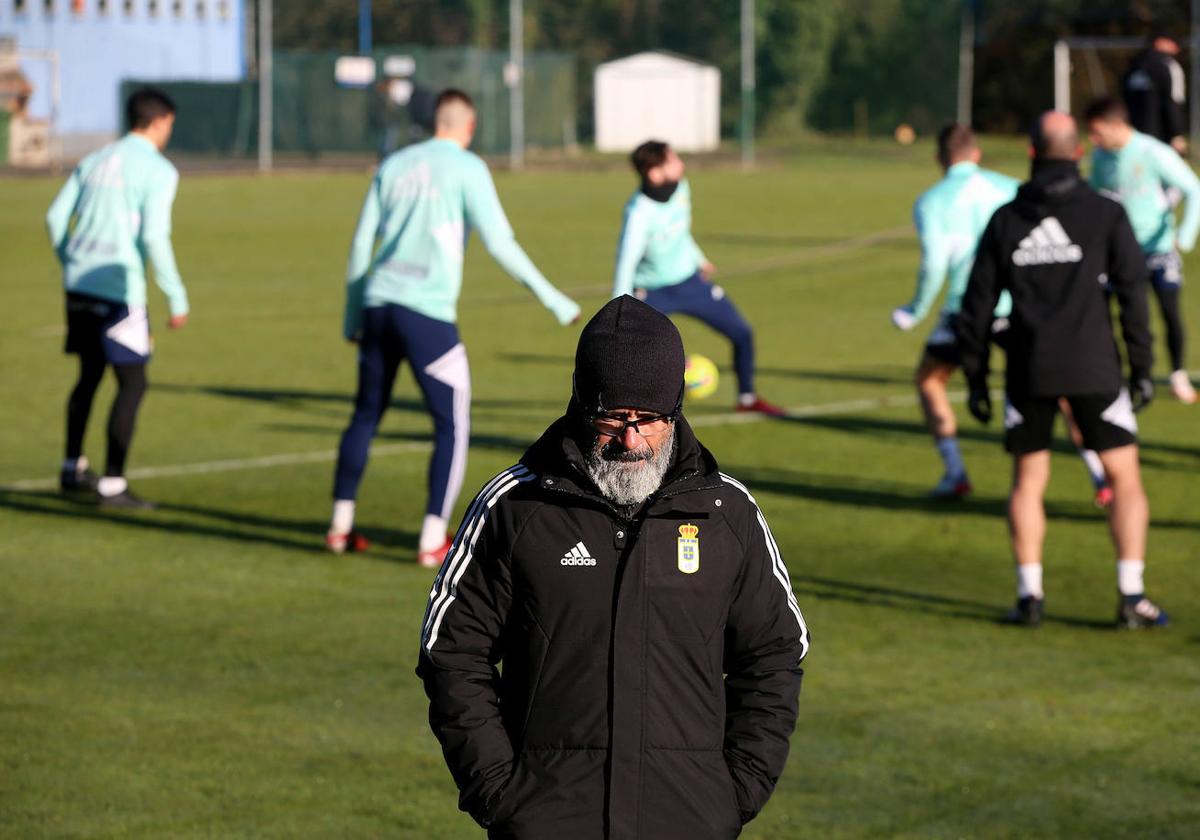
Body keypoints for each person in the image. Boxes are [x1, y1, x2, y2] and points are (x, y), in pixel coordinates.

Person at [417, 296, 810, 838]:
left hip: (690, 820)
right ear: (580, 403)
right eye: (614, 417)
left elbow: (774, 655)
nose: (632, 440)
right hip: (549, 820)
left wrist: (735, 790)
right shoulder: (515, 507)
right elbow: (451, 652)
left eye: (651, 420)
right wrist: (500, 792)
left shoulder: (727, 514)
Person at [329, 89, 580, 565]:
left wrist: (352, 314)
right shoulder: (469, 168)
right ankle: (431, 539)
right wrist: (553, 298)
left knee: (365, 415)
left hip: (379, 306)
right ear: (469, 126)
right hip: (426, 315)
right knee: (452, 422)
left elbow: (362, 244)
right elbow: (501, 242)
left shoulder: (395, 163)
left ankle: (339, 527)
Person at [957, 111, 1168, 630]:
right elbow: (1132, 294)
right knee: (1123, 477)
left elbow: (977, 307)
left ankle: (1030, 597)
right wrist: (1142, 365)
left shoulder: (1007, 219)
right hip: (1095, 366)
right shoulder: (1105, 213)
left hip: (1029, 370)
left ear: (1030, 152)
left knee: (1028, 481)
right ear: (1079, 153)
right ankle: (1131, 595)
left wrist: (977, 377)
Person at [893, 124, 1112, 502]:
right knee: (1059, 390)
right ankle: (1100, 476)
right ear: (976, 154)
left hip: (967, 310)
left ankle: (955, 473)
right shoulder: (1008, 187)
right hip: (1019, 307)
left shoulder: (930, 201)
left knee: (930, 380)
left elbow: (935, 263)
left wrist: (915, 310)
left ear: (939, 159)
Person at [46, 87, 189, 509]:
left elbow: (55, 217)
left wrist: (70, 260)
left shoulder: (93, 160)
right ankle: (112, 484)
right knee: (133, 382)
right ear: (160, 121)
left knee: (89, 375)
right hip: (119, 293)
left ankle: (72, 467)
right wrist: (176, 296)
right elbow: (153, 236)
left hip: (79, 285)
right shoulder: (159, 170)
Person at [613, 140, 786, 416]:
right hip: (652, 293)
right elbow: (625, 263)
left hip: (690, 282)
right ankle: (627, 414)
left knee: (742, 333)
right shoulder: (638, 214)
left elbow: (679, 232)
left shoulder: (682, 188)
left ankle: (747, 398)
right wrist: (618, 311)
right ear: (655, 173)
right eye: (673, 160)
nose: (681, 163)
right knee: (633, 357)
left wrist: (698, 258)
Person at [1086, 95, 1200, 404]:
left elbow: (1194, 188)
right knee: (1113, 313)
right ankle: (1121, 374)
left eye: (1097, 131)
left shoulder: (1153, 152)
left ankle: (1177, 375)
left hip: (1158, 250)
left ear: (1115, 125)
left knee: (1169, 312)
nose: (1093, 139)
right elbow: (1094, 196)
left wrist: (1184, 238)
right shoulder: (1100, 157)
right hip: (1119, 254)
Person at [1122, 33, 1188, 155]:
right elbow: (1173, 101)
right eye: (1173, 43)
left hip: (1133, 136)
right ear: (1160, 42)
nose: (1177, 49)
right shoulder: (1169, 65)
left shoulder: (1132, 66)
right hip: (1161, 138)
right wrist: (1177, 134)